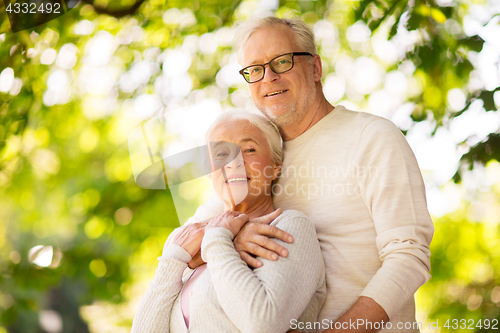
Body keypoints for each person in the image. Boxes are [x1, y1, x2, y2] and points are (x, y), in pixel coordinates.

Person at [184, 16, 434, 333]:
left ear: (315, 68)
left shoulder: (371, 137)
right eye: (255, 70)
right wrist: (232, 236)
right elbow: (184, 245)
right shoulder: (256, 154)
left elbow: (408, 258)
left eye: (282, 62)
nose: (268, 78)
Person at [131, 111, 326, 333]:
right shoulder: (191, 243)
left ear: (275, 167)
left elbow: (263, 324)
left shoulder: (290, 227)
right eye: (221, 153)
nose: (235, 162)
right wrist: (173, 260)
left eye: (249, 150)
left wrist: (216, 239)